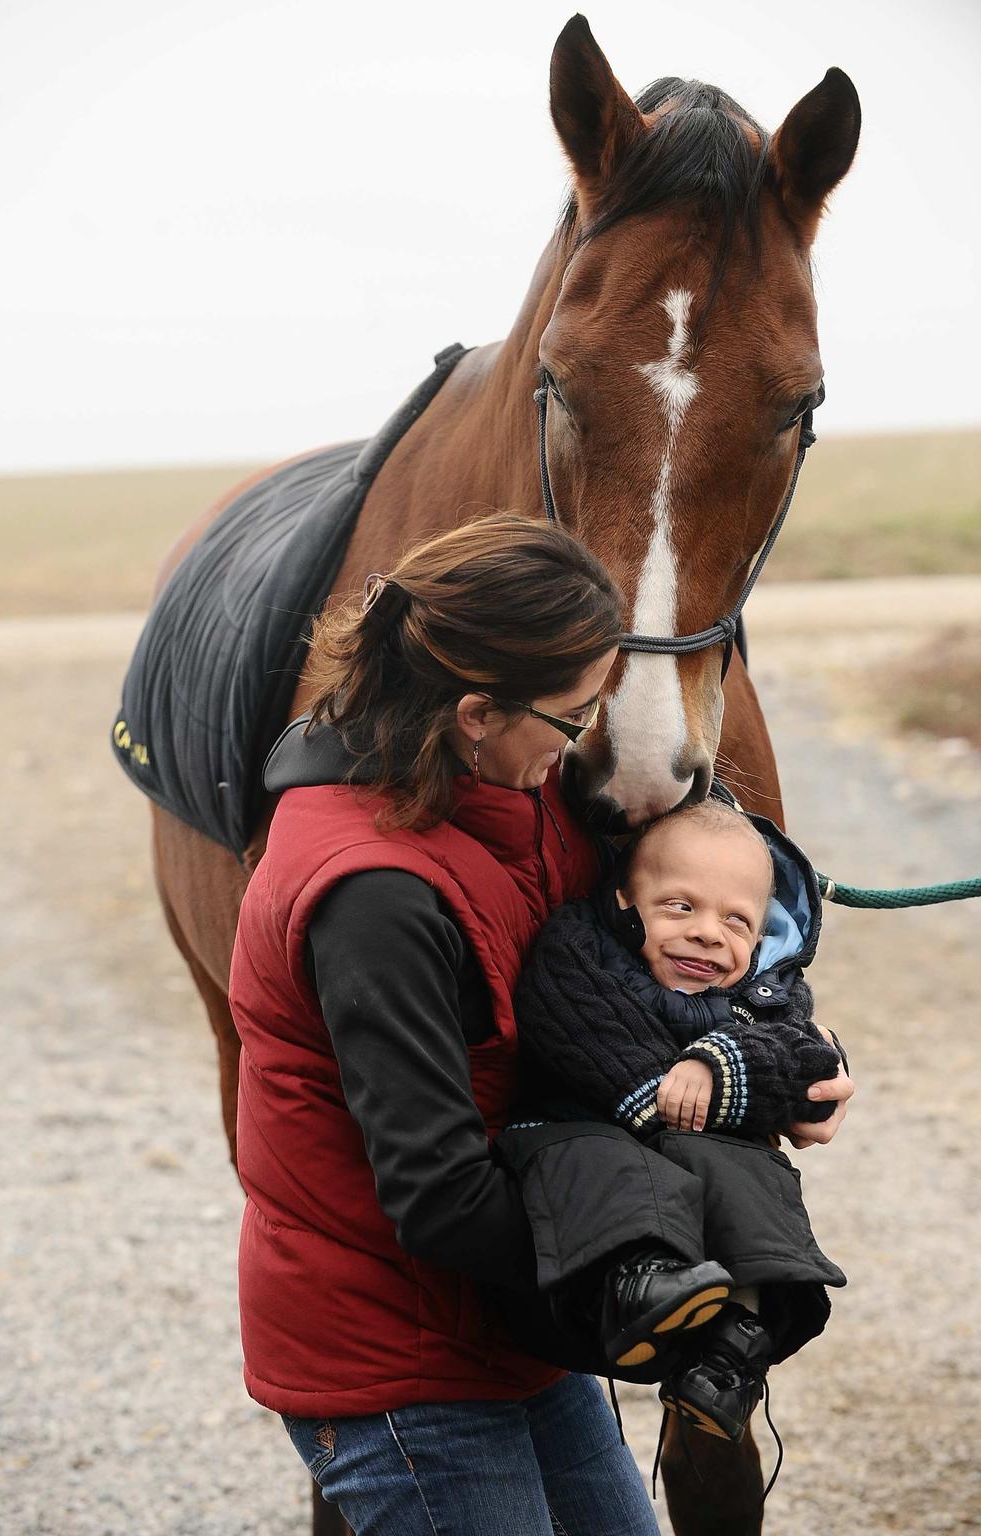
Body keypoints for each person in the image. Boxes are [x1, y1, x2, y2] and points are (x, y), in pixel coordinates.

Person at [228, 512, 664, 1536]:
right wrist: (649, 1263)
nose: (578, 749)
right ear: (474, 712)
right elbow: (436, 1195)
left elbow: (627, 973)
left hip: (503, 1325)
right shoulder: (373, 897)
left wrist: (767, 1068)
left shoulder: (507, 800)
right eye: (568, 718)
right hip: (395, 1360)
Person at [508, 797, 851, 1449]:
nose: (707, 933)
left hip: (684, 1163)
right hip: (578, 1141)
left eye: (736, 921)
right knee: (612, 1161)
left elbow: (809, 1063)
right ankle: (642, 1288)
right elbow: (641, 1092)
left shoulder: (767, 994)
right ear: (624, 902)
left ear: (761, 937)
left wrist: (721, 1063)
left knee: (754, 1177)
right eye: (680, 907)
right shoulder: (582, 951)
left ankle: (731, 1353)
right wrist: (737, 1091)